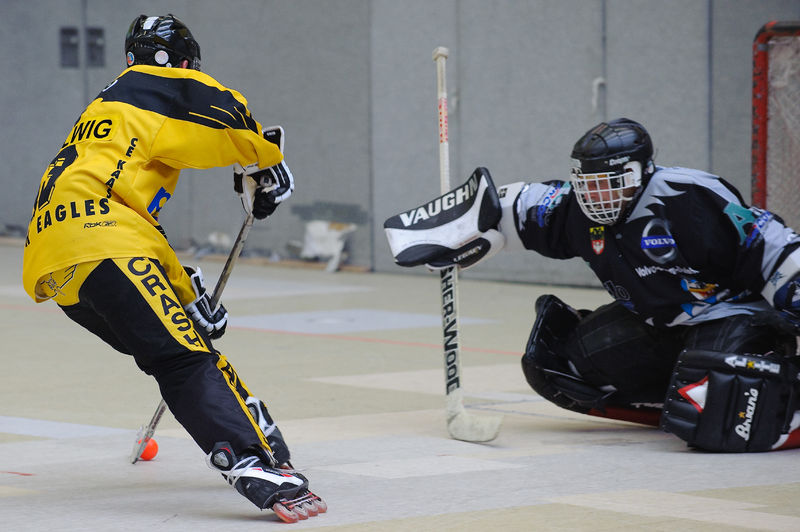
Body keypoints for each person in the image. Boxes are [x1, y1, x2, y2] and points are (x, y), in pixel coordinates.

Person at [22, 14, 325, 522]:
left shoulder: (105, 116)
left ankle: (256, 431)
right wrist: (261, 161)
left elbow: (129, 221)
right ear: (181, 62)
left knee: (177, 345)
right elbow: (224, 109)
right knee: (182, 359)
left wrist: (184, 295)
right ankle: (247, 458)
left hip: (59, 258)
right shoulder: (148, 87)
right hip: (104, 240)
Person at [385, 117, 800, 452]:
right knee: (558, 366)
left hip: (736, 315)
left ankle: (776, 397)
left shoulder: (687, 196)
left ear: (641, 170)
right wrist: (452, 231)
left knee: (722, 410)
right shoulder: (579, 209)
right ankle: (680, 391)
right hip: (662, 325)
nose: (595, 195)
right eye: (588, 183)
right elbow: (514, 207)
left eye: (608, 182)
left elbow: (770, 246)